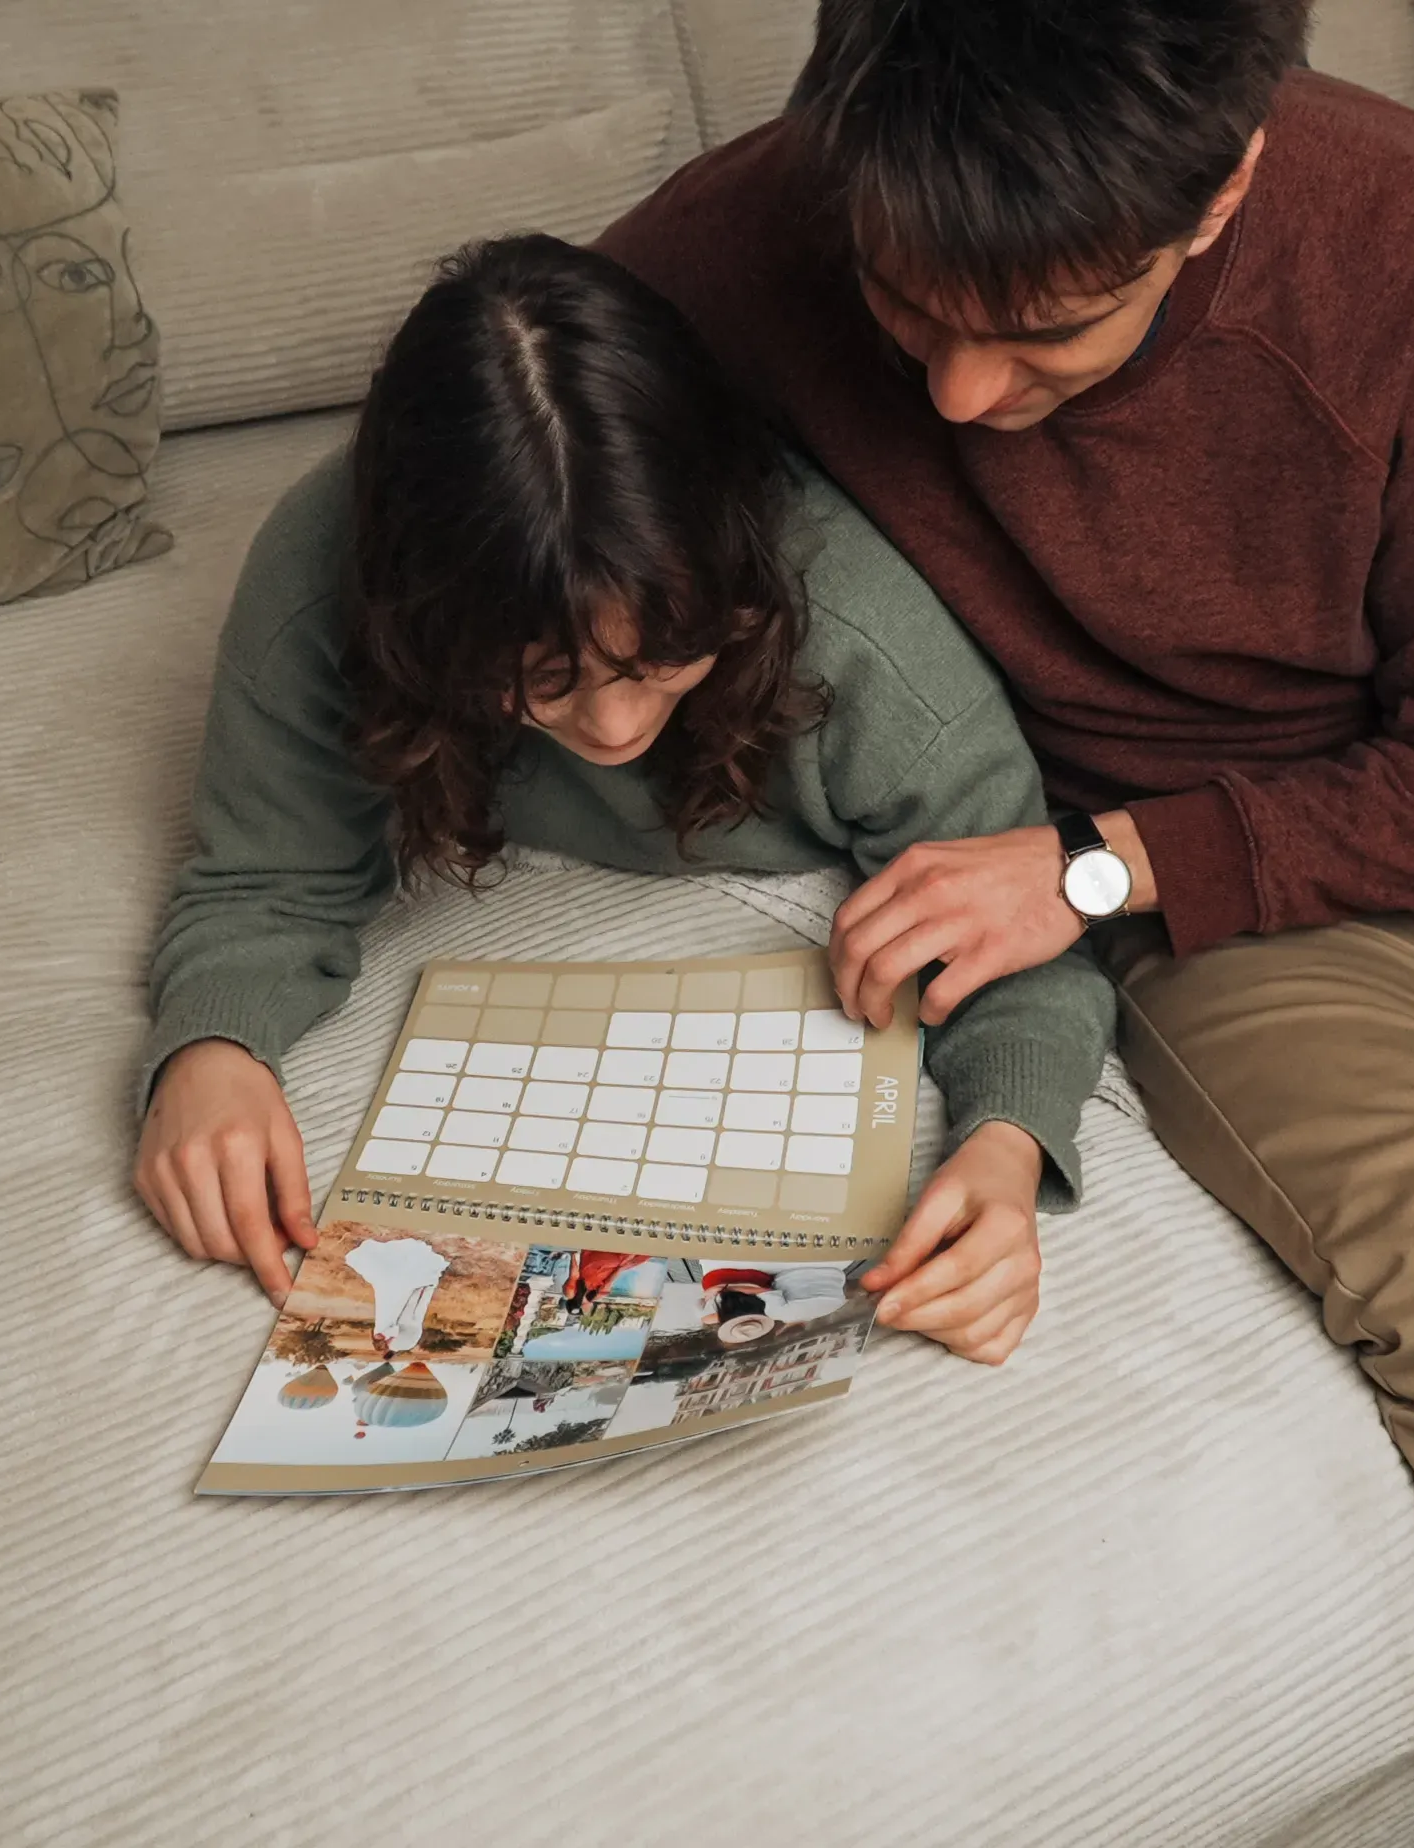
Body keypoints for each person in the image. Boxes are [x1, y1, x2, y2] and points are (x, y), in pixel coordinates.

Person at [596, 5, 1414, 1844]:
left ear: (1222, 184)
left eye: (1046, 330)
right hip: (1217, 895)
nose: (960, 399)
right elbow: (478, 430)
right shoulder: (753, 230)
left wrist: (1087, 871)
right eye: (909, 313)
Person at [132, 234, 1113, 1368]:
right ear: (420, 623)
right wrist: (208, 1045)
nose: (609, 728)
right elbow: (263, 876)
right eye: (540, 679)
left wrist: (1004, 1144)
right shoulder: (319, 581)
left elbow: (1025, 924)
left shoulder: (855, 631)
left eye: (664, 659)